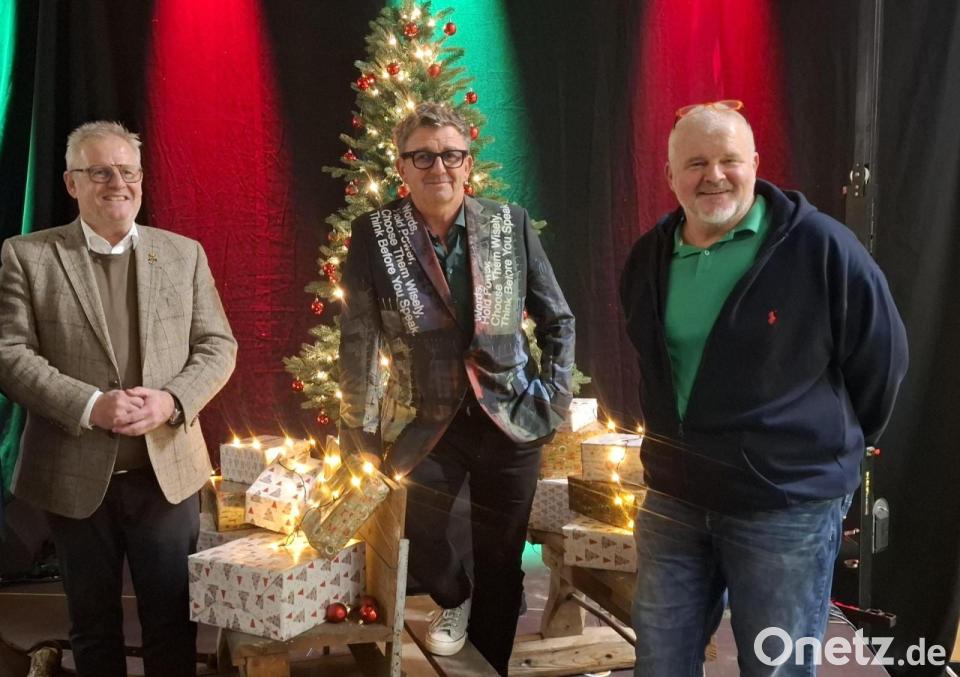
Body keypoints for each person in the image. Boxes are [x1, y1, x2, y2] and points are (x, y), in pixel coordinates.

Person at [619, 101, 908, 676]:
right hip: (675, 498)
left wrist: (814, 454)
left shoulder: (821, 247)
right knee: (658, 662)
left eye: (729, 159)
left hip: (785, 506)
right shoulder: (650, 257)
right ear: (670, 175)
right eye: (695, 163)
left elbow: (882, 363)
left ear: (755, 163)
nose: (714, 175)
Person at [337, 102, 574, 674]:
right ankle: (453, 595)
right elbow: (359, 339)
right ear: (402, 166)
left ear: (468, 163)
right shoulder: (375, 234)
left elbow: (557, 319)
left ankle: (491, 665)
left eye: (450, 155)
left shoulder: (509, 223)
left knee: (502, 557)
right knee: (418, 534)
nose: (437, 167)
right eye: (422, 156)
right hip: (425, 420)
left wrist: (555, 397)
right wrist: (358, 429)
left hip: (510, 415)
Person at [0, 121, 237, 676]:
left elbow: (218, 345)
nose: (118, 184)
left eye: (128, 172)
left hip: (167, 473)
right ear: (71, 183)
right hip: (72, 473)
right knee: (93, 629)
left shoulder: (184, 255)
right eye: (100, 172)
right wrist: (90, 406)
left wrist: (172, 401)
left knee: (173, 626)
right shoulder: (28, 255)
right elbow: (9, 354)